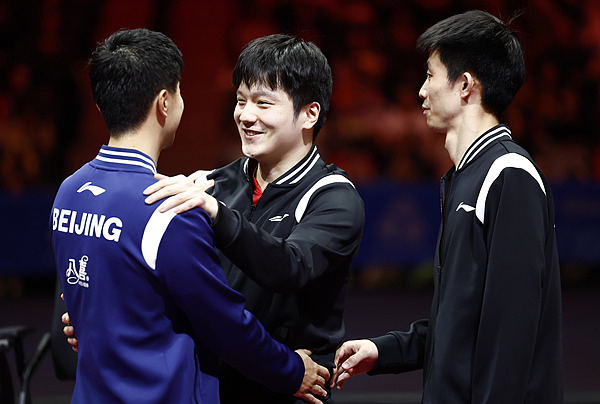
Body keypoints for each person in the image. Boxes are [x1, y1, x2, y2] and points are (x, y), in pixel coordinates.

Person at [50, 28, 329, 404]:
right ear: (165, 103)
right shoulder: (170, 209)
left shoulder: (67, 192)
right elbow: (224, 324)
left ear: (100, 104)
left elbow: (90, 291)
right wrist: (292, 371)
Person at [331, 10, 563, 404]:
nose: (421, 91)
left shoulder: (509, 174)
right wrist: (384, 351)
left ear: (466, 85)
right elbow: (460, 323)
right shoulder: (465, 176)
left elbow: (510, 334)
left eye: (430, 76)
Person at [136, 33, 366, 403]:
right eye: (241, 100)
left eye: (263, 103)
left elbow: (289, 266)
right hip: (213, 389)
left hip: (293, 389)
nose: (245, 115)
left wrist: (216, 212)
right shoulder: (217, 183)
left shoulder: (334, 197)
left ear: (310, 114)